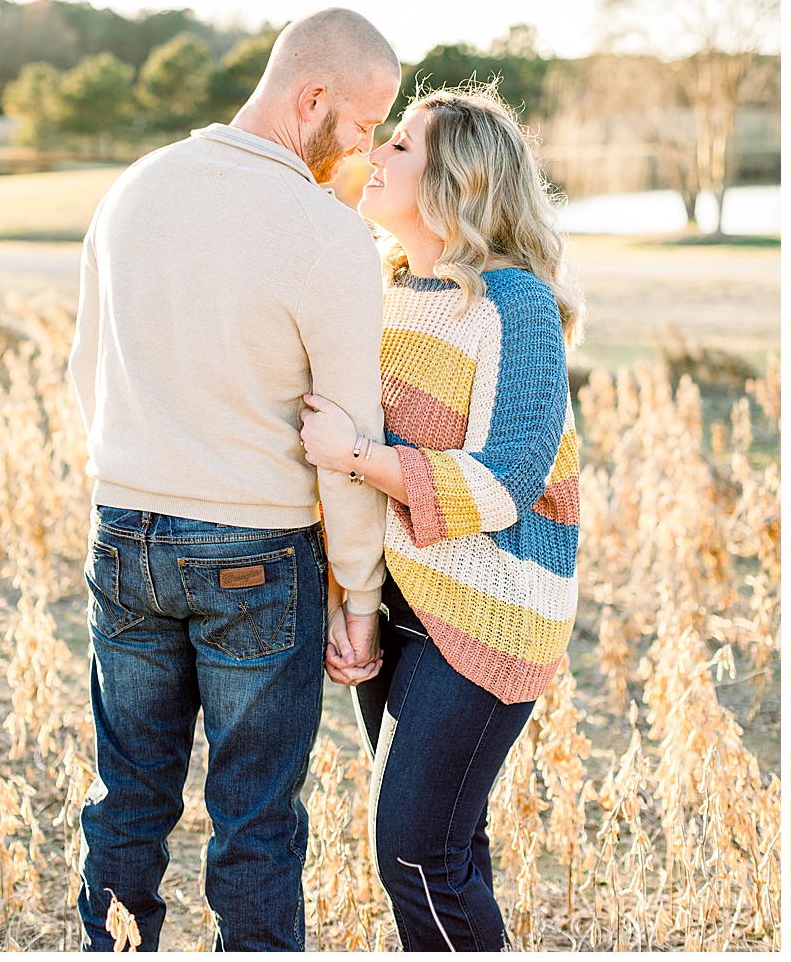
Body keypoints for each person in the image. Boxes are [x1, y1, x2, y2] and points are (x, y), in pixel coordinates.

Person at [70, 8, 403, 950]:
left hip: (123, 529)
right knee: (255, 820)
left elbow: (85, 371)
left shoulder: (133, 190)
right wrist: (360, 598)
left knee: (127, 793)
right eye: (366, 122)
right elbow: (346, 438)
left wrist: (137, 473)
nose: (367, 148)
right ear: (313, 99)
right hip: (256, 552)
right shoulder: (325, 235)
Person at [298, 84, 583, 952]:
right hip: (399, 603)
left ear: (455, 182)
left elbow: (506, 480)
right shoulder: (379, 290)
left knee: (415, 852)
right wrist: (353, 602)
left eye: (403, 146)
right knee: (449, 846)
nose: (376, 154)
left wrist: (354, 455)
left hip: (492, 606)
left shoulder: (516, 306)